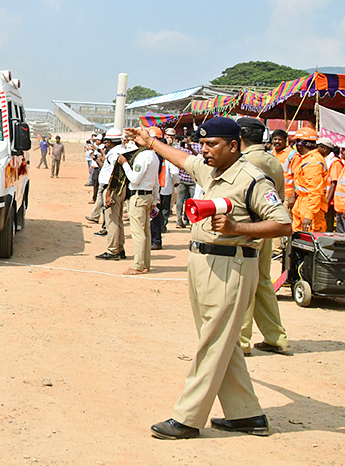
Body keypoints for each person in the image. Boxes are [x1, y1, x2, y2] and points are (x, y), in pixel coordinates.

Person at [123, 118, 290, 440]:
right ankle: (247, 415)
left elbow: (282, 225)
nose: (205, 150)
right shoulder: (212, 170)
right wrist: (150, 142)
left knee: (213, 342)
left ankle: (187, 418)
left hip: (232, 266)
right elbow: (183, 159)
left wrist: (237, 228)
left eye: (212, 144)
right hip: (204, 262)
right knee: (221, 341)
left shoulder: (253, 179)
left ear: (233, 144)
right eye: (203, 144)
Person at [237, 117, 291, 357]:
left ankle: (242, 341)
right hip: (268, 229)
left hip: (247, 230)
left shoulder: (243, 161)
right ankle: (276, 337)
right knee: (263, 282)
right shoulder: (274, 161)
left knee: (244, 284)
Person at [119, 128, 160, 275]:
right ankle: (145, 263)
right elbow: (155, 182)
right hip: (148, 195)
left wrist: (124, 164)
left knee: (138, 232)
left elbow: (135, 179)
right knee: (146, 232)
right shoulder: (154, 156)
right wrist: (155, 199)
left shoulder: (143, 156)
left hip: (139, 196)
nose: (136, 139)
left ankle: (138, 265)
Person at [92, 130, 128, 256]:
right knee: (118, 219)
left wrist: (108, 194)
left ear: (109, 142)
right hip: (118, 188)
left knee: (112, 221)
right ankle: (119, 247)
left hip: (112, 188)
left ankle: (113, 250)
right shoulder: (122, 150)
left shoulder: (114, 153)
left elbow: (114, 173)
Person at [289, 127, 327, 232]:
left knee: (309, 242)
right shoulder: (307, 159)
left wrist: (309, 215)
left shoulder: (313, 162)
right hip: (302, 204)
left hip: (310, 208)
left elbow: (315, 191)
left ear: (300, 144)